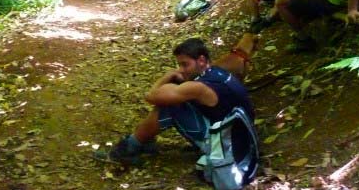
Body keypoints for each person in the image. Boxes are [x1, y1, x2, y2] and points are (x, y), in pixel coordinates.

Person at [94, 38, 255, 168]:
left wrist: (168, 76)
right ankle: (142, 142)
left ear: (201, 60)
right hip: (242, 141)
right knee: (177, 99)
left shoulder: (198, 87)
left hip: (227, 151)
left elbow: (151, 96)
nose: (181, 70)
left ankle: (128, 148)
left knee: (170, 106)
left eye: (185, 64)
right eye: (179, 65)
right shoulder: (217, 71)